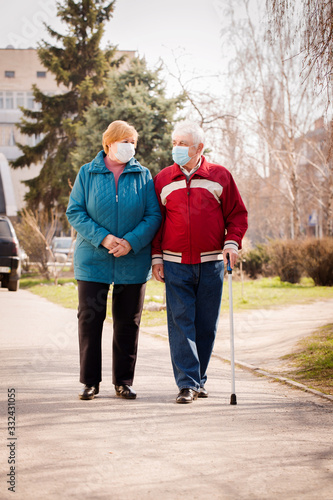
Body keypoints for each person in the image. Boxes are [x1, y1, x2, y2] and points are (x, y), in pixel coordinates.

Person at [152, 120, 248, 404]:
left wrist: (232, 242)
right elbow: (156, 222)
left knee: (206, 325)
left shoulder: (220, 176)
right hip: (175, 262)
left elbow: (237, 215)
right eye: (174, 143)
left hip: (211, 263)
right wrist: (156, 257)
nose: (177, 149)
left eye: (183, 144)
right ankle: (187, 383)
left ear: (199, 148)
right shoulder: (163, 179)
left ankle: (199, 379)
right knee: (181, 322)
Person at [66, 120, 161, 401]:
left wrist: (130, 242)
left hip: (132, 262)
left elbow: (153, 216)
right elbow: (75, 212)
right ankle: (90, 382)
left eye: (133, 141)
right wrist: (105, 238)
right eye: (125, 141)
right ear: (109, 143)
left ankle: (123, 381)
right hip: (93, 260)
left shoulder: (143, 176)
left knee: (127, 322)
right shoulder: (88, 172)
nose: (130, 146)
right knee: (90, 319)